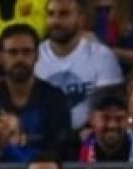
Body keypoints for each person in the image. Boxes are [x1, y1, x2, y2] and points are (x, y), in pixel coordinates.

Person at [0, 23, 76, 162]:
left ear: (37, 55)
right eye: (12, 52)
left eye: (26, 52)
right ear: (1, 57)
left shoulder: (54, 98)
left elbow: (61, 149)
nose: (20, 58)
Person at [36, 0, 124, 129]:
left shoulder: (102, 57)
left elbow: (111, 107)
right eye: (51, 14)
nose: (55, 21)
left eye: (64, 14)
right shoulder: (34, 56)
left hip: (90, 135)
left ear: (81, 19)